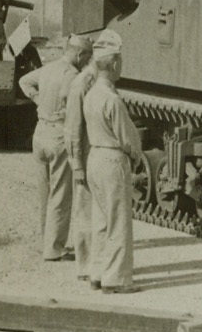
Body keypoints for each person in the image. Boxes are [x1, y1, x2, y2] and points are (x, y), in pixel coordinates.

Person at [19, 34, 93, 261]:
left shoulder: (48, 68)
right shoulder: (73, 76)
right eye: (87, 58)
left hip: (40, 132)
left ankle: (46, 242)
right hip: (59, 137)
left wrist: (39, 100)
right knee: (60, 195)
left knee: (45, 193)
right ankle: (54, 249)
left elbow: (24, 81)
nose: (87, 62)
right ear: (80, 54)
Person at [82, 30, 142, 293]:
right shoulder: (112, 99)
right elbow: (127, 138)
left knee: (100, 220)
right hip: (112, 160)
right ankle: (116, 280)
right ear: (115, 63)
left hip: (94, 157)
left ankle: (97, 273)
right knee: (118, 222)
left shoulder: (92, 94)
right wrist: (136, 155)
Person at [64, 39, 98, 281]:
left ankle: (96, 264)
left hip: (96, 156)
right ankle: (84, 267)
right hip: (85, 157)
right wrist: (77, 165)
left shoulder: (95, 80)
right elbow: (73, 129)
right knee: (85, 213)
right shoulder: (82, 84)